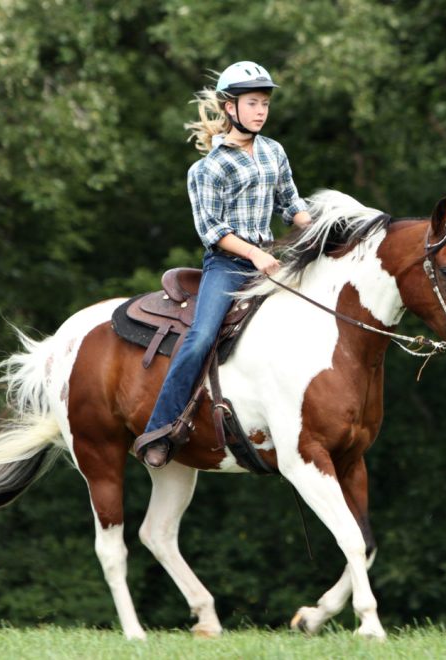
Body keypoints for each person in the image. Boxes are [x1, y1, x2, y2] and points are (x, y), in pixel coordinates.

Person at [135, 61, 311, 468]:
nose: (261, 111)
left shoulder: (274, 151)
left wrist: (324, 231)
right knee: (200, 338)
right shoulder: (207, 169)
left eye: (265, 103)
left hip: (271, 262)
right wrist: (254, 253)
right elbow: (211, 230)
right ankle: (162, 428)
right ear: (230, 108)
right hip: (230, 266)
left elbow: (292, 205)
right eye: (252, 103)